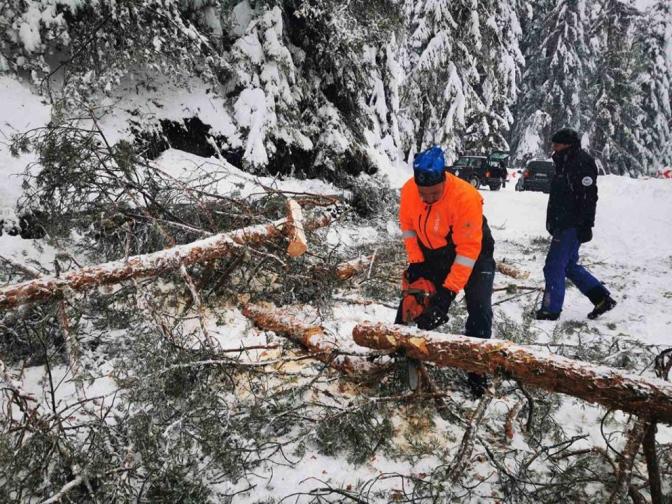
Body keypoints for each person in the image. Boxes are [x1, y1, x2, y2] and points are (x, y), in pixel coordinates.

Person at [396, 146, 496, 396]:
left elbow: (467, 253)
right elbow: (408, 228)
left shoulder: (465, 197)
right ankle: (399, 349)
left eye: (434, 193)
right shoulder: (409, 191)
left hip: (474, 255)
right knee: (413, 297)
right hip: (434, 252)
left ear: (444, 179)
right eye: (424, 194)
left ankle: (477, 371)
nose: (428, 198)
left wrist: (447, 294)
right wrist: (417, 261)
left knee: (480, 308)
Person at [536, 128, 617, 321]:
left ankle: (550, 310)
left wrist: (586, 225)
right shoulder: (564, 162)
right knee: (569, 265)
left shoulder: (581, 163)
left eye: (557, 144)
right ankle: (601, 298)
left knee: (554, 266)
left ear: (567, 145)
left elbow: (589, 197)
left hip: (571, 224)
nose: (553, 148)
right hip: (562, 223)